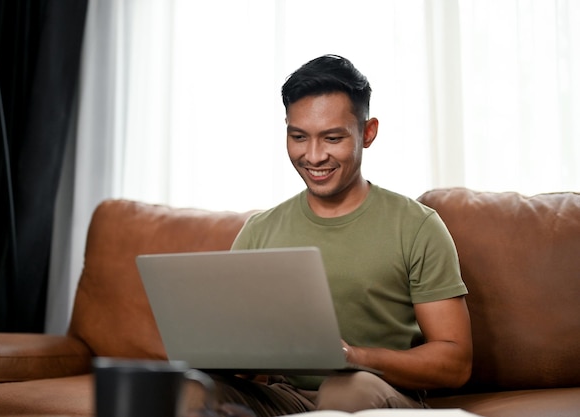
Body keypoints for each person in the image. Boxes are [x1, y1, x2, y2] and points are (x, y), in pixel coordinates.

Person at [185, 54, 472, 416]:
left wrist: (354, 358)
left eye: (332, 138)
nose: (314, 156)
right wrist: (215, 356)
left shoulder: (417, 226)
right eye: (299, 137)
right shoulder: (260, 231)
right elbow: (242, 361)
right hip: (285, 399)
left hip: (374, 393)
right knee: (192, 391)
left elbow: (456, 361)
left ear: (368, 133)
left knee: (344, 389)